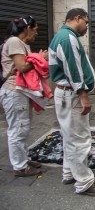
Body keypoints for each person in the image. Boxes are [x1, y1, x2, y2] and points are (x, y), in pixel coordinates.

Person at [48, 8, 95, 196]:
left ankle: (69, 172)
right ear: (77, 18)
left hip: (66, 94)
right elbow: (73, 69)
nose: (87, 27)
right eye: (87, 23)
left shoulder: (62, 36)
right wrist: (83, 95)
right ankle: (84, 182)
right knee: (80, 139)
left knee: (69, 136)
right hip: (72, 95)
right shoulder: (68, 38)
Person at [0, 16, 47, 177]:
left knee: (23, 127)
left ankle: (23, 159)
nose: (36, 33)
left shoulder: (22, 44)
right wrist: (41, 58)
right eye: (35, 29)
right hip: (14, 91)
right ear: (27, 28)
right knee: (18, 129)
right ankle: (20, 167)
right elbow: (22, 66)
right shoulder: (14, 42)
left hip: (20, 91)